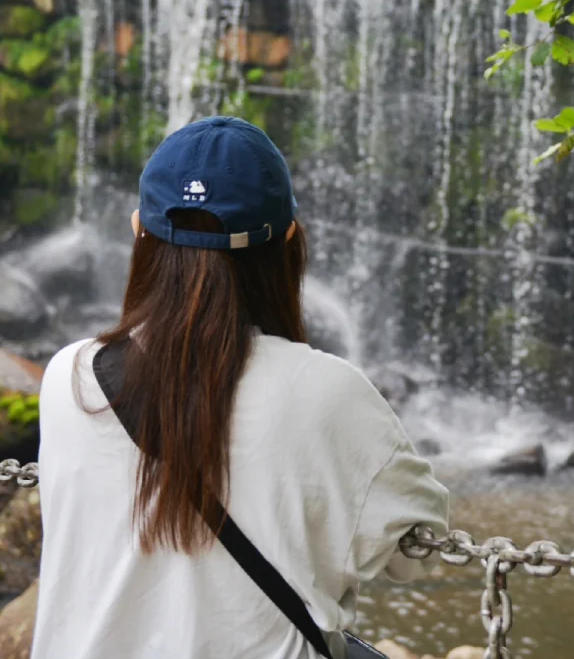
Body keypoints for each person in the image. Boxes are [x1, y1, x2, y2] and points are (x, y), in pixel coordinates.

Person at [31, 115, 450, 658]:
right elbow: (415, 552)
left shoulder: (69, 375)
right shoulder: (329, 393)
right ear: (289, 241)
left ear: (140, 230)